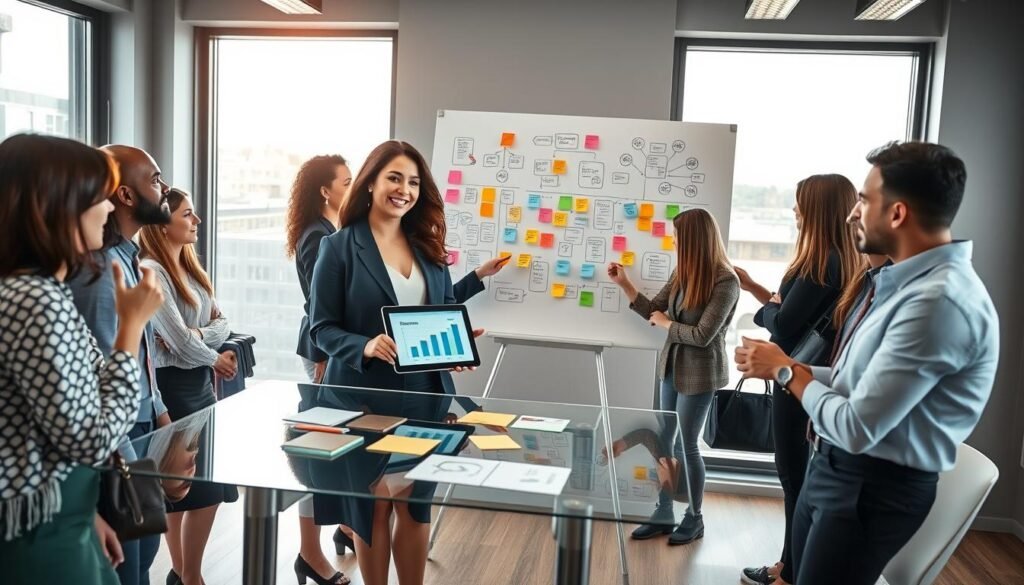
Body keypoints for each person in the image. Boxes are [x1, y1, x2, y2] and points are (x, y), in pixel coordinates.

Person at [735, 142, 998, 585]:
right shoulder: (898, 285)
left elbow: (858, 425)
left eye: (863, 200)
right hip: (835, 469)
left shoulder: (938, 303)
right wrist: (789, 369)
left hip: (868, 486)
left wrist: (787, 372)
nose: (852, 214)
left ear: (896, 214)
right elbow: (853, 381)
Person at [308, 140, 501, 585]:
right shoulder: (339, 248)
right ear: (371, 182)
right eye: (395, 177)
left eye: (414, 182)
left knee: (415, 508)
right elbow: (321, 327)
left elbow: (443, 307)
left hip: (426, 401)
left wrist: (454, 344)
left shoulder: (429, 248)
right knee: (372, 509)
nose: (405, 189)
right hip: (364, 402)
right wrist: (365, 345)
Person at [0, 134, 163, 584]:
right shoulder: (35, 298)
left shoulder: (36, 291)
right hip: (38, 536)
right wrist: (130, 327)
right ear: (56, 205)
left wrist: (85, 516)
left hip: (53, 514)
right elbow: (89, 438)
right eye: (98, 197)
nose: (109, 208)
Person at [736, 174, 863, 585]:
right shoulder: (844, 260)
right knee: (799, 479)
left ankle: (789, 573)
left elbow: (786, 322)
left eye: (799, 203)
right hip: (812, 376)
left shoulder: (820, 263)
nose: (794, 211)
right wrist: (765, 295)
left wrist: (772, 306)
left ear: (817, 211)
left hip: (796, 380)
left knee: (793, 477)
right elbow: (787, 312)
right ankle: (789, 565)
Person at [66, 144, 173, 585]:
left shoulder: (127, 258)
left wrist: (161, 410)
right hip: (117, 437)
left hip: (138, 425)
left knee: (144, 550)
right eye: (154, 179)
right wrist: (131, 467)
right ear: (126, 196)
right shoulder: (100, 271)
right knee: (132, 558)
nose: (164, 188)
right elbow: (100, 374)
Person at [607, 208, 739, 545]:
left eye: (678, 236)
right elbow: (654, 308)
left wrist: (667, 324)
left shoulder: (726, 280)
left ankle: (694, 518)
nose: (674, 241)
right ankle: (664, 512)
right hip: (670, 369)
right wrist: (625, 284)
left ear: (694, 240)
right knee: (664, 441)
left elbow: (703, 335)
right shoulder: (684, 272)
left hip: (699, 374)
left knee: (686, 446)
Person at [138, 188, 239, 585]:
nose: (196, 221)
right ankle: (188, 575)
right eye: (188, 214)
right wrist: (213, 356)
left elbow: (222, 323)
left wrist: (198, 336)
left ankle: (183, 574)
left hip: (200, 385)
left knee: (208, 484)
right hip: (173, 389)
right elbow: (175, 343)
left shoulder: (192, 269)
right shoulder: (152, 269)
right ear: (163, 224)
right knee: (183, 488)